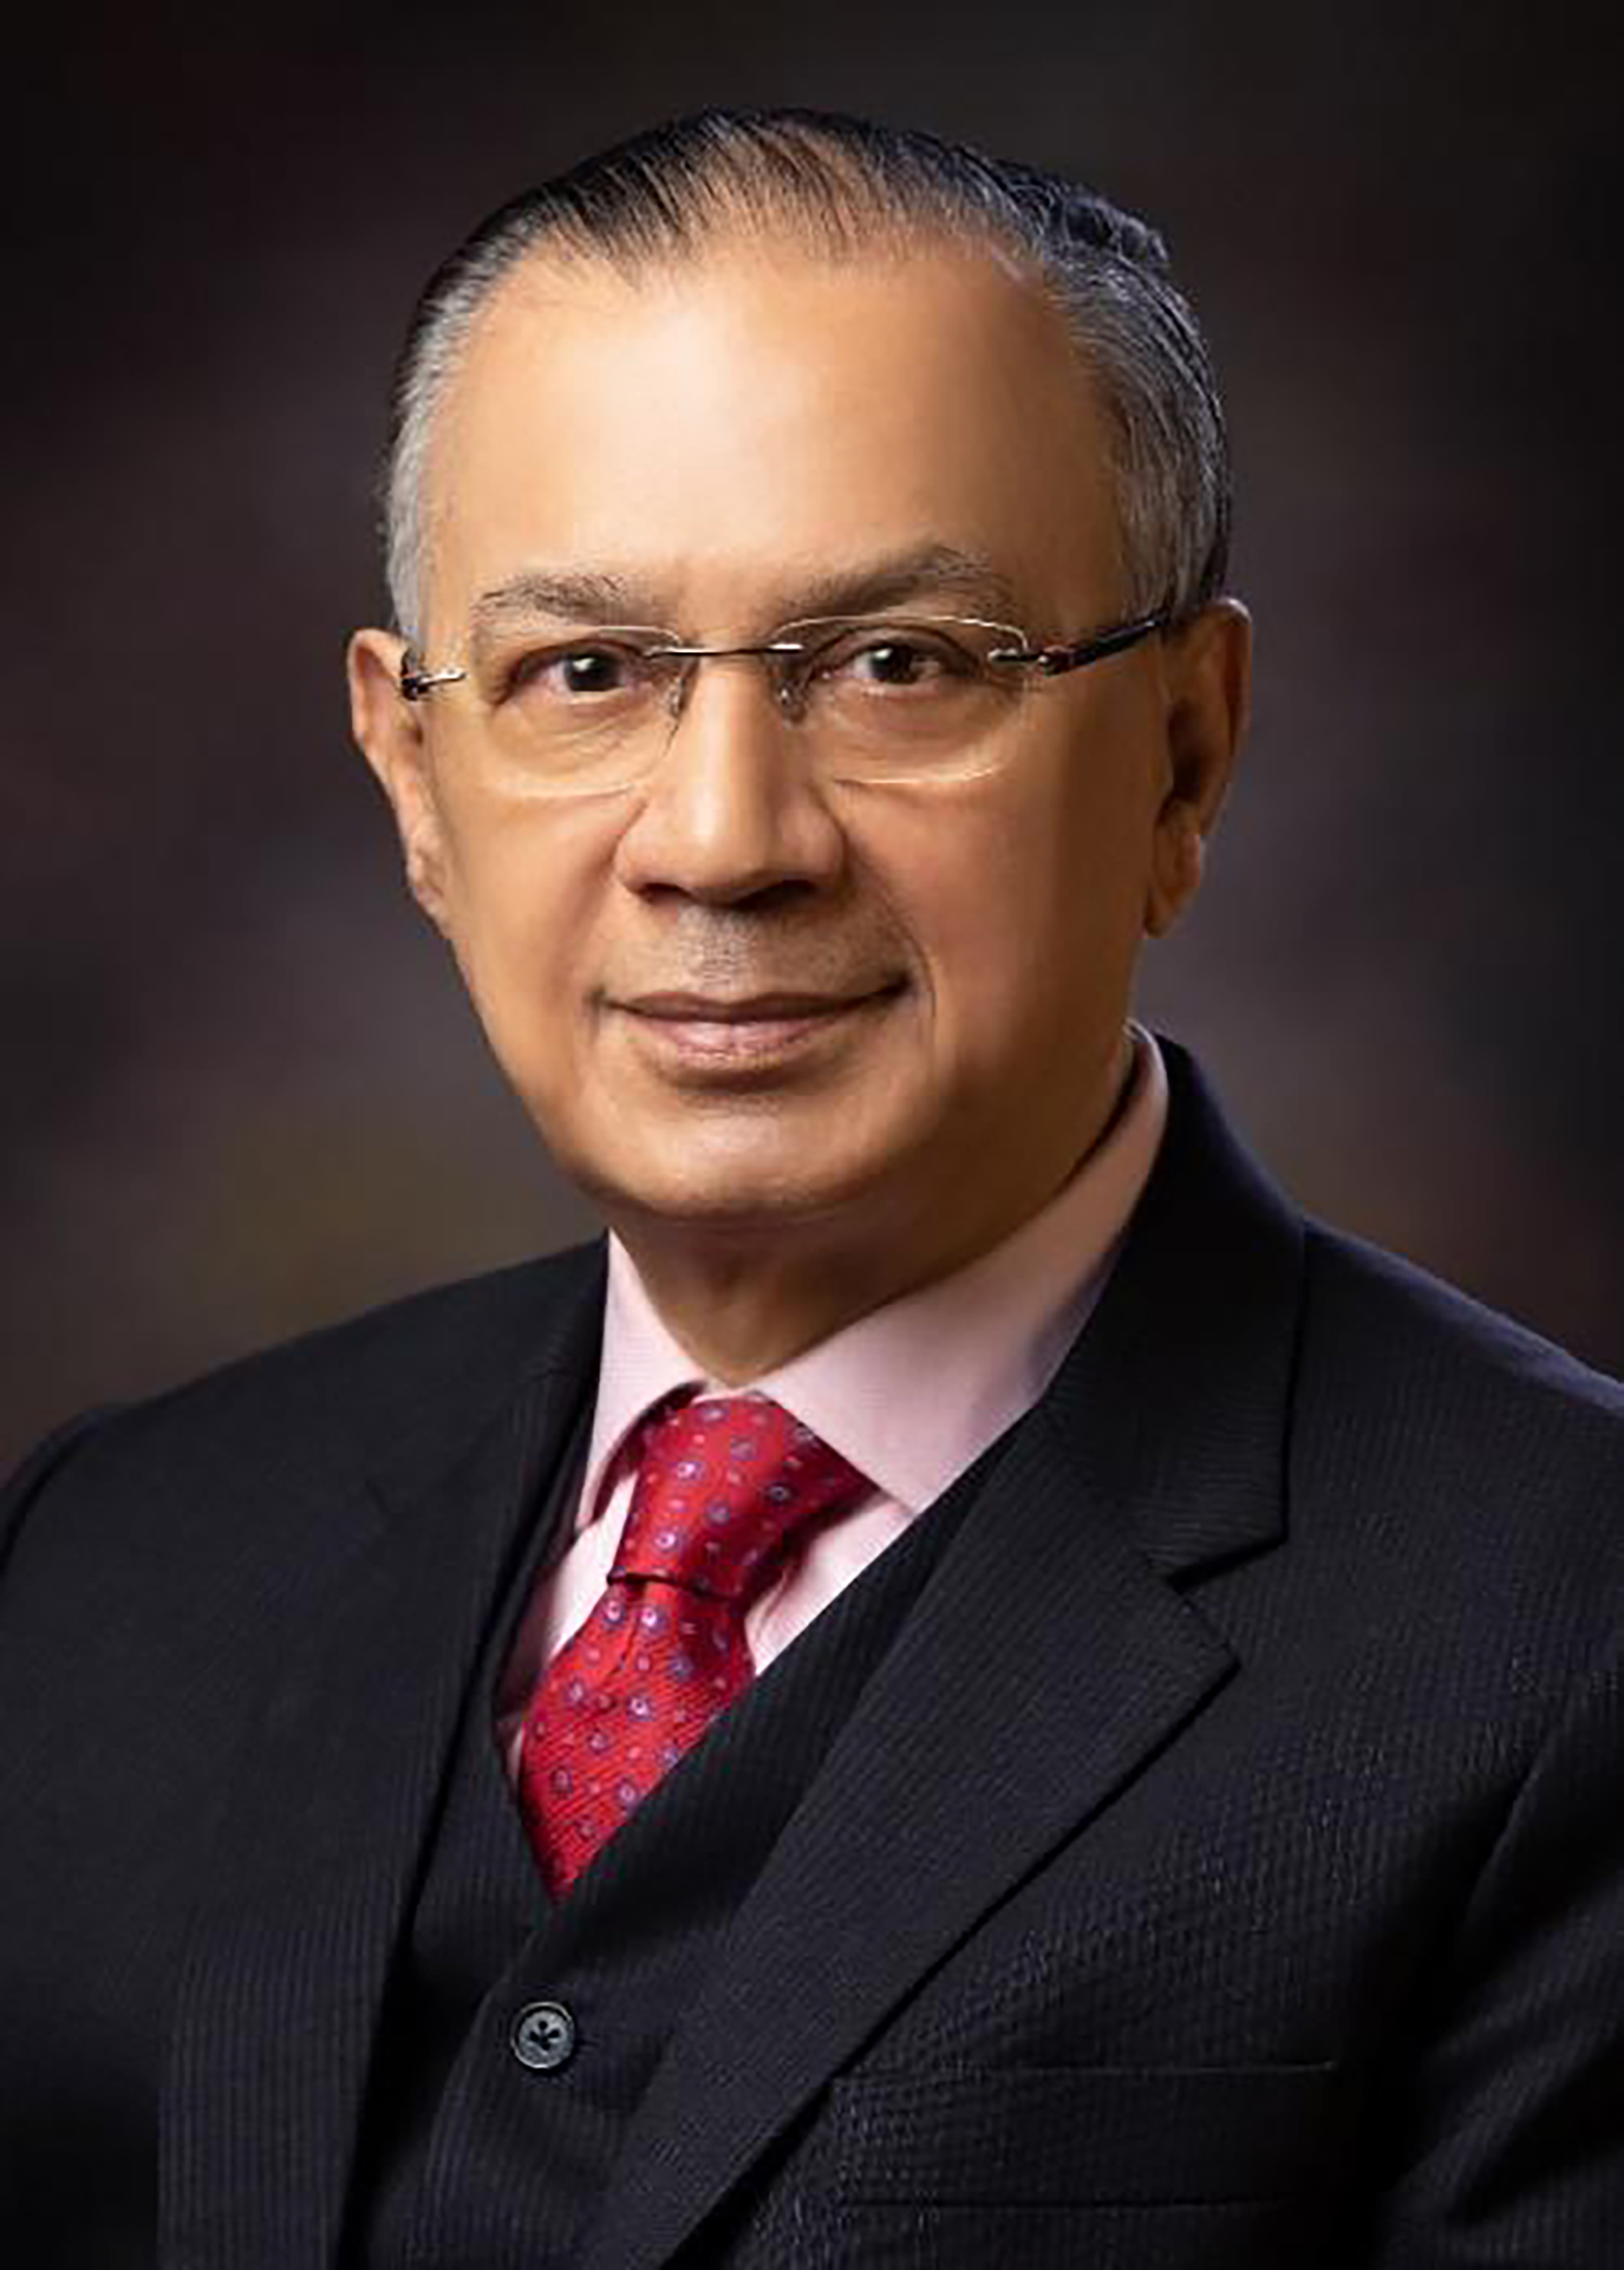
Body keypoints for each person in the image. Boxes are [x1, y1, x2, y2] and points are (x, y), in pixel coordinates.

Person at [1, 106, 1619, 2270]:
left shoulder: (1566, 1632)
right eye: (586, 672)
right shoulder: (101, 1566)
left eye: (896, 665)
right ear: (413, 777)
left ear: (1183, 752)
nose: (724, 837)